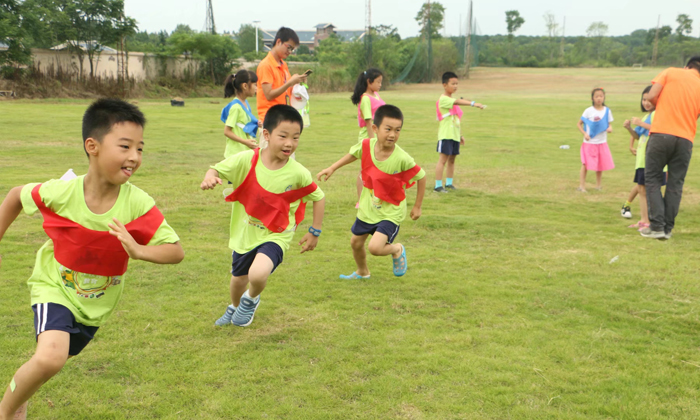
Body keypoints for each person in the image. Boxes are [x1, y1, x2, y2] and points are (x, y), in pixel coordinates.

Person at [0, 99, 184, 420]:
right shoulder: (62, 192)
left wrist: (139, 250)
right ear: (92, 146)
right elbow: (17, 194)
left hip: (95, 307)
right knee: (50, 358)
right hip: (53, 286)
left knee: (49, 361)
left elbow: (175, 251)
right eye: (125, 146)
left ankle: (20, 397)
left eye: (140, 148)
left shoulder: (138, 204)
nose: (134, 157)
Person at [201, 105, 325, 327]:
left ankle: (251, 299)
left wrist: (315, 231)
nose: (290, 143)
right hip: (245, 232)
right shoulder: (247, 160)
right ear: (266, 135)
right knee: (238, 280)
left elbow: (318, 196)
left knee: (257, 274)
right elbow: (215, 169)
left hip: (276, 233)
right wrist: (210, 177)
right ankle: (235, 306)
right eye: (283, 136)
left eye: (295, 138)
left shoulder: (298, 173)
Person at [317, 105, 426, 279]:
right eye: (388, 129)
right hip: (369, 207)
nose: (393, 134)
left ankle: (397, 249)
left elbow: (421, 176)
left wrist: (417, 206)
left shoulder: (402, 157)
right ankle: (362, 272)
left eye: (398, 130)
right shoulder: (367, 145)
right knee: (356, 243)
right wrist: (332, 168)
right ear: (375, 129)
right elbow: (353, 154)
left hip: (391, 211)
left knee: (375, 247)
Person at [640, 56, 700, 240]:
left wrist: (665, 106)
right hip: (685, 139)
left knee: (652, 179)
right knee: (675, 184)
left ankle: (656, 226)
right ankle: (667, 229)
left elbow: (650, 96)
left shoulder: (671, 72)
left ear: (687, 66)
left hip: (661, 134)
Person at [622, 86, 665, 231]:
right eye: (644, 99)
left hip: (651, 158)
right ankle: (644, 220)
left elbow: (659, 129)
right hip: (642, 159)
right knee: (641, 188)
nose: (646, 102)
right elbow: (638, 136)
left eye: (650, 99)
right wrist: (629, 128)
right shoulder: (647, 116)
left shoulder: (658, 114)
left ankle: (649, 220)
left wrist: (640, 123)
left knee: (648, 189)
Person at [434, 71, 485, 193]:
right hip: (446, 135)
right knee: (443, 160)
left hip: (454, 135)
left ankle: (449, 184)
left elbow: (455, 119)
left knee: (452, 160)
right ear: (444, 85)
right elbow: (457, 101)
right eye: (453, 83)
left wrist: (460, 135)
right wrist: (473, 103)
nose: (455, 86)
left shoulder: (451, 99)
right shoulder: (444, 99)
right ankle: (438, 186)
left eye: (457, 84)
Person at [256, 27, 308, 123]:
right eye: (289, 47)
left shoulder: (284, 65)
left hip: (283, 118)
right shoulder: (266, 65)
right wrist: (289, 83)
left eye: (292, 49)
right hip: (269, 120)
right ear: (278, 42)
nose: (290, 51)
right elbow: (269, 95)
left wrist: (297, 84)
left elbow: (286, 91)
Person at [350, 68, 385, 204]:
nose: (380, 85)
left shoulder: (376, 94)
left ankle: (373, 196)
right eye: (378, 82)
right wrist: (373, 141)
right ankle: (360, 201)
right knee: (365, 169)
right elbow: (368, 121)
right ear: (369, 82)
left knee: (375, 168)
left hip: (378, 136)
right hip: (369, 137)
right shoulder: (365, 98)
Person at [577, 88, 614, 192]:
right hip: (590, 143)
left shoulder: (607, 111)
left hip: (602, 142)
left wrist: (610, 128)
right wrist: (585, 134)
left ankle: (598, 185)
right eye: (596, 96)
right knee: (585, 164)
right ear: (592, 98)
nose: (599, 98)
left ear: (604, 97)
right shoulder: (588, 111)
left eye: (601, 96)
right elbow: (579, 124)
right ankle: (582, 186)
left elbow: (609, 124)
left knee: (600, 164)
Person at [221, 70, 259, 158]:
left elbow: (242, 124)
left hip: (244, 152)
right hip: (235, 154)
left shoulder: (245, 103)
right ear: (245, 86)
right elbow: (227, 131)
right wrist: (245, 142)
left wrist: (257, 123)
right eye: (255, 85)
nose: (256, 88)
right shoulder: (236, 107)